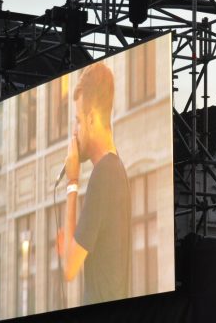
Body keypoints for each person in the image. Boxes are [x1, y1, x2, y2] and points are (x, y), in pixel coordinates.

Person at [57, 62, 131, 305]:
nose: (75, 132)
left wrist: (72, 181)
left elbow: (69, 267)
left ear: (91, 119)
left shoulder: (104, 174)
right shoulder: (115, 167)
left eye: (78, 120)